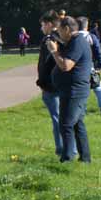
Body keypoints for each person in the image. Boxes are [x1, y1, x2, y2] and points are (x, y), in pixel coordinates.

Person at [49, 16, 92, 163]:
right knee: (77, 124)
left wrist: (54, 52)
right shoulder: (72, 42)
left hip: (75, 91)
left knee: (66, 124)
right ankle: (85, 158)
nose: (59, 33)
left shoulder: (78, 42)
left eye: (60, 30)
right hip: (70, 89)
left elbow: (66, 65)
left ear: (67, 29)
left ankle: (67, 159)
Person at [36, 11, 72, 160]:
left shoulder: (50, 39)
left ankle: (62, 149)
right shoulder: (64, 38)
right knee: (66, 119)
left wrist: (42, 82)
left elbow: (47, 65)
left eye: (43, 25)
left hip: (51, 86)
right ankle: (69, 148)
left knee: (58, 119)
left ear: (50, 24)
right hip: (63, 84)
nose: (41, 28)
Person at [77, 17, 101, 116]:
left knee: (82, 90)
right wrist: (100, 65)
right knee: (98, 88)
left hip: (77, 67)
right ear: (87, 26)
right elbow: (98, 52)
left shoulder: (73, 38)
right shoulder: (92, 37)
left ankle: (83, 110)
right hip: (91, 66)